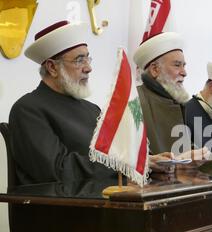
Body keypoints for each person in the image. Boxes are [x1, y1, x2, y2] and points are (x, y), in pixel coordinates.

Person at [9, 21, 171, 185]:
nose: (88, 68)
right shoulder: (27, 109)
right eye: (79, 60)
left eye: (88, 59)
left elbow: (116, 150)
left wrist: (151, 162)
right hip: (62, 207)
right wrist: (124, 167)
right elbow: (58, 170)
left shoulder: (91, 109)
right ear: (52, 67)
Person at [133, 32, 208, 161]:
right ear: (155, 70)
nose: (184, 73)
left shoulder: (180, 103)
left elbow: (187, 152)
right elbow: (126, 158)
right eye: (177, 65)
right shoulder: (134, 101)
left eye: (184, 66)